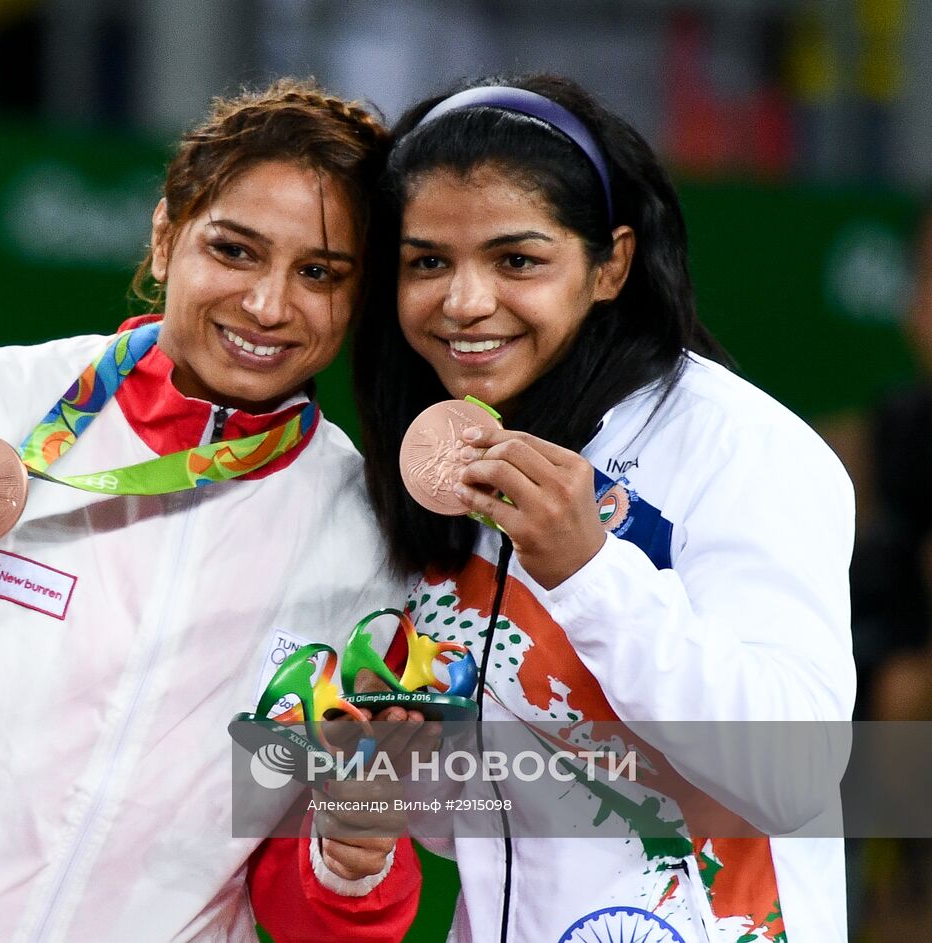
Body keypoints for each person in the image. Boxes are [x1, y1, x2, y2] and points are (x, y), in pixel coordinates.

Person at [0, 80, 422, 942]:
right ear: (166, 237)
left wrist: (351, 857)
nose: (269, 305)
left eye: (318, 273)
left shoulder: (365, 545)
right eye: (235, 250)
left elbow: (307, 911)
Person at [350, 74, 856, 942]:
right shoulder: (444, 459)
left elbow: (793, 771)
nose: (465, 302)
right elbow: (504, 817)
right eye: (428, 261)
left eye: (518, 260)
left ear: (610, 263)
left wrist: (589, 571)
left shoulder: (741, 447)